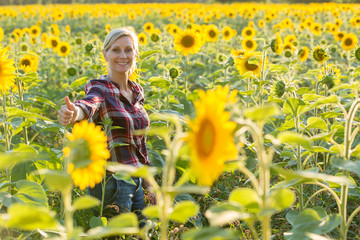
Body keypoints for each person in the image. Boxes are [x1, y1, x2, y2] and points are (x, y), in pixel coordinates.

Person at [58, 27, 157, 226]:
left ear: (135, 54)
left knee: (142, 232)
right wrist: (74, 113)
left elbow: (140, 144)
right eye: (116, 50)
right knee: (116, 234)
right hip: (113, 183)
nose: (123, 55)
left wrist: (150, 184)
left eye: (128, 50)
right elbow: (89, 104)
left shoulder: (137, 91)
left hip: (137, 180)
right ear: (105, 54)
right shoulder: (100, 87)